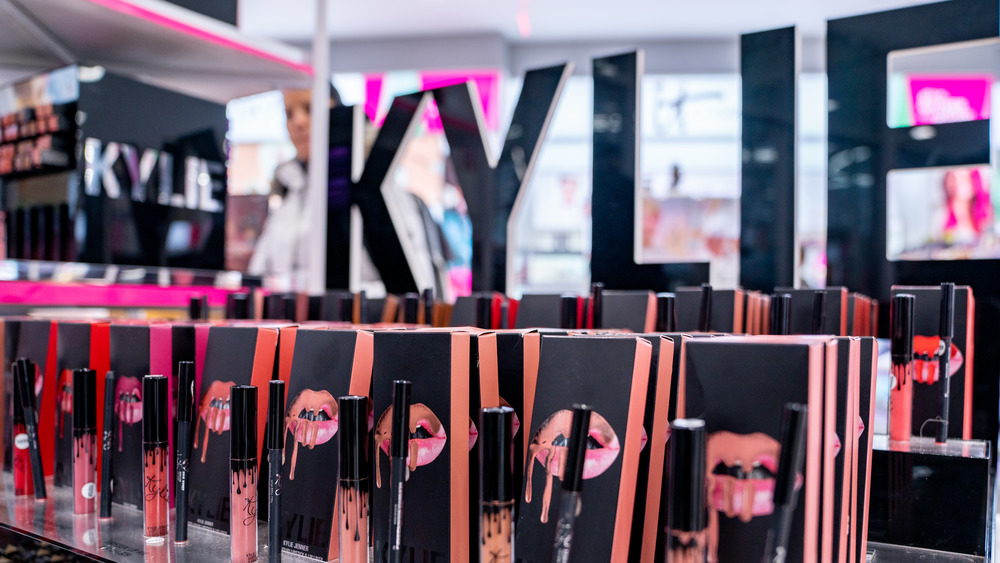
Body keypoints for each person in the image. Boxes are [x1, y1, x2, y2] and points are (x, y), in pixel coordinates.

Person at [247, 86, 341, 288]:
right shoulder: (288, 190)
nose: (298, 122)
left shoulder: (360, 189)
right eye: (289, 114)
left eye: (310, 109)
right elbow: (259, 273)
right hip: (287, 316)